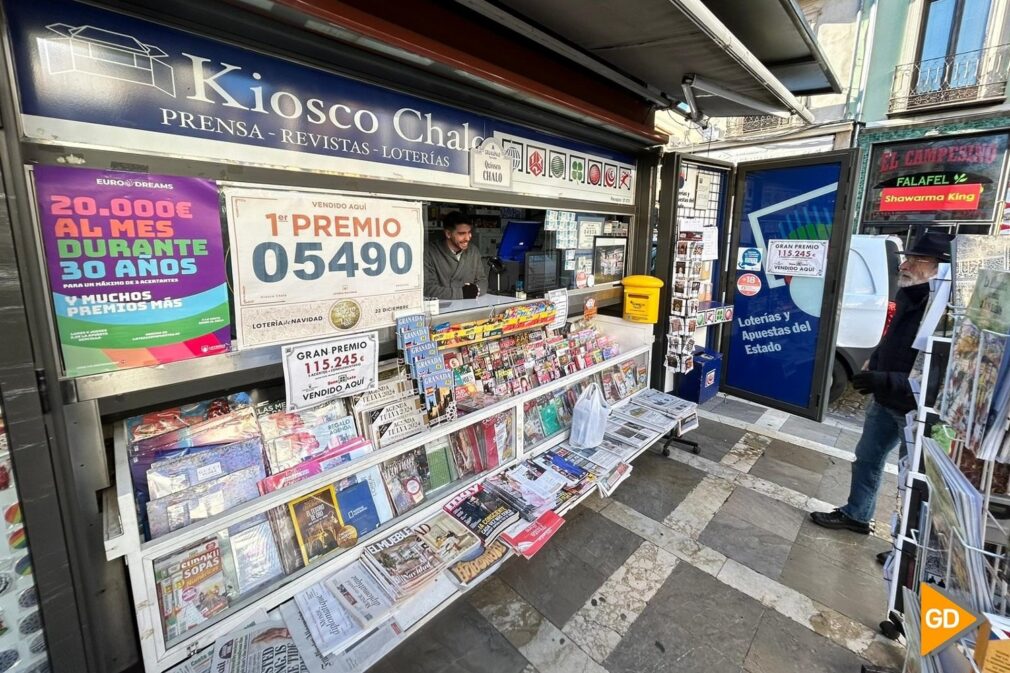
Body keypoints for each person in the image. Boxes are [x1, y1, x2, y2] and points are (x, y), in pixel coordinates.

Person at [811, 231, 954, 534]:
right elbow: (891, 340)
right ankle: (857, 515)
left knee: (915, 478)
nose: (906, 265)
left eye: (917, 260)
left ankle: (910, 543)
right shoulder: (908, 294)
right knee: (867, 457)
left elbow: (934, 377)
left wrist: (883, 379)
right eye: (909, 258)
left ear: (939, 267)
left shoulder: (947, 313)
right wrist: (873, 363)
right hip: (885, 398)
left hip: (915, 409)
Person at [424, 211, 483, 300]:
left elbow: (482, 280)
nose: (467, 238)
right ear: (448, 234)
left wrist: (477, 290)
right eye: (462, 233)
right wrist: (461, 293)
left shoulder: (473, 251)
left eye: (469, 232)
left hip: (470, 306)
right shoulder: (430, 252)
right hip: (442, 309)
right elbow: (427, 288)